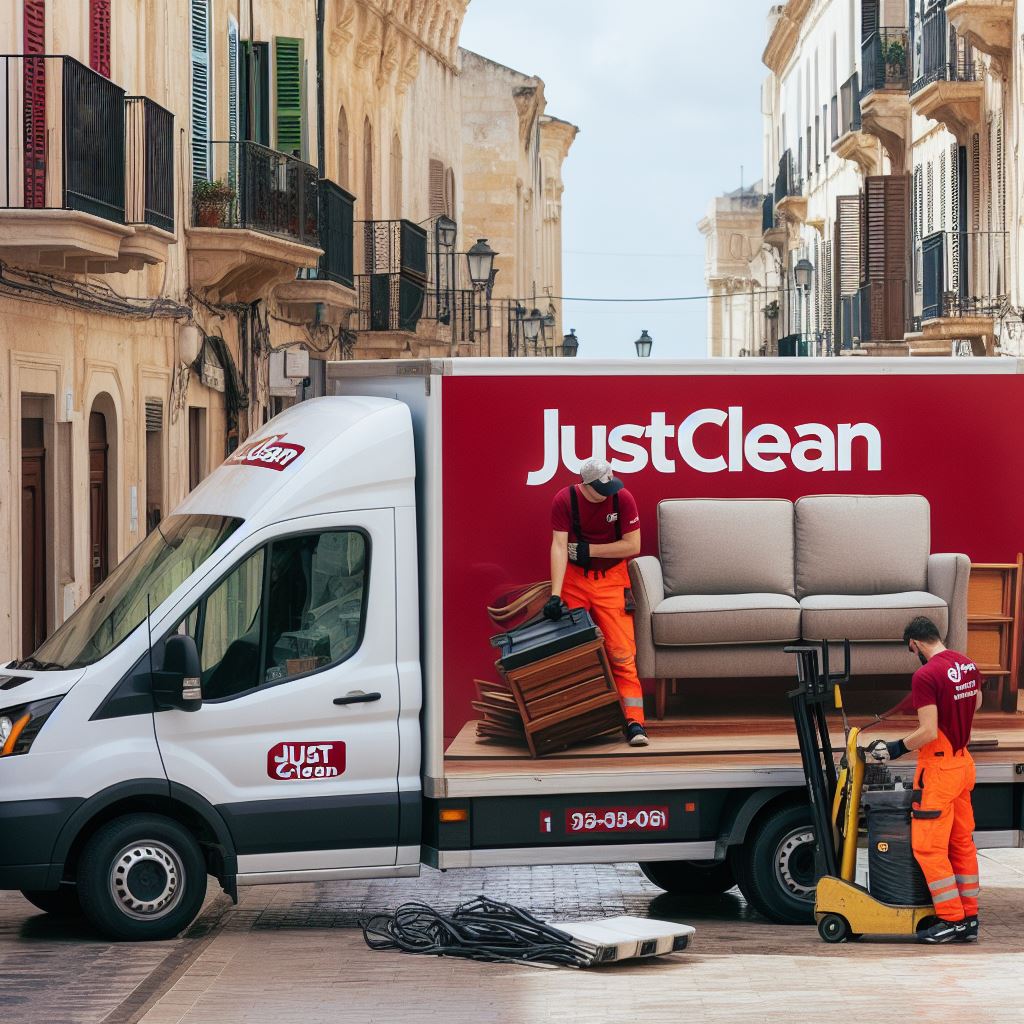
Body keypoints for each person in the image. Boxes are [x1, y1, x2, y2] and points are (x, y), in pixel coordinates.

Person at [865, 616, 983, 943]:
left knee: (928, 846)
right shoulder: (967, 665)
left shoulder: (926, 674)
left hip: (940, 769)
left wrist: (894, 748)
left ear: (914, 644)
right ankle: (969, 918)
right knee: (960, 843)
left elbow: (928, 731)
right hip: (962, 764)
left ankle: (950, 920)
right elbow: (977, 703)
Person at [542, 458, 648, 746]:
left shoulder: (622, 498)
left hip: (613, 579)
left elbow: (633, 546)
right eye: (602, 488)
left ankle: (634, 723)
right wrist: (555, 594)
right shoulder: (564, 500)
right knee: (573, 655)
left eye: (610, 485)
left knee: (622, 654)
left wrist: (591, 549)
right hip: (575, 580)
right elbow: (559, 546)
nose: (608, 492)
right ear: (585, 485)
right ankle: (574, 725)